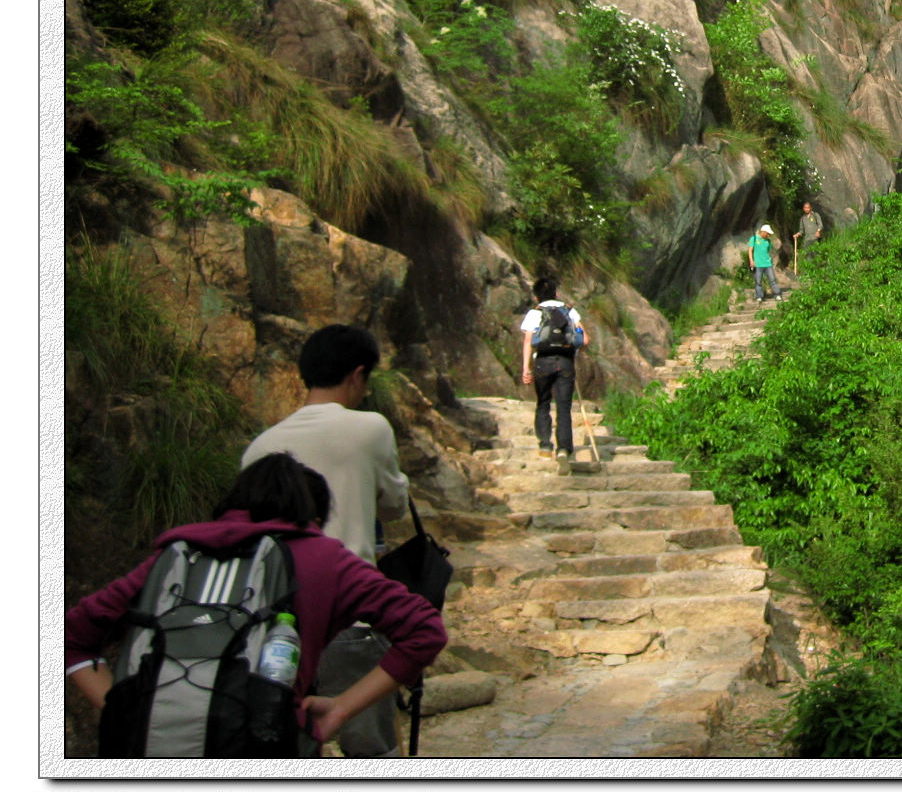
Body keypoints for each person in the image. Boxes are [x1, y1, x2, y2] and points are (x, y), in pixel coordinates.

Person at [65, 453, 446, 756]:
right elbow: (424, 631)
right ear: (311, 515)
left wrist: (124, 709)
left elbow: (71, 637)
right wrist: (340, 709)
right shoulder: (325, 558)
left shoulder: (174, 558)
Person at [242, 324, 409, 757]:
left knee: (283, 747)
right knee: (370, 752)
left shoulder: (260, 447)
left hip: (273, 624)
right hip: (348, 617)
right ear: (357, 375)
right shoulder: (371, 428)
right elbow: (394, 506)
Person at [519, 275, 588, 465]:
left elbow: (528, 342)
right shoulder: (569, 312)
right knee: (564, 408)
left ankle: (545, 446)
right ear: (556, 293)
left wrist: (526, 368)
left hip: (543, 363)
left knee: (543, 403)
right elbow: (585, 339)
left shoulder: (535, 313)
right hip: (565, 363)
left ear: (536, 297)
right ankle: (564, 450)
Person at [750, 224, 781, 301]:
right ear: (763, 232)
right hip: (758, 264)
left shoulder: (768, 241)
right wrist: (751, 261)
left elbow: (768, 251)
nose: (768, 235)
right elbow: (750, 250)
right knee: (758, 281)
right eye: (767, 233)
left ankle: (777, 294)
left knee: (772, 280)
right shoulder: (754, 239)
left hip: (768, 264)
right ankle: (759, 296)